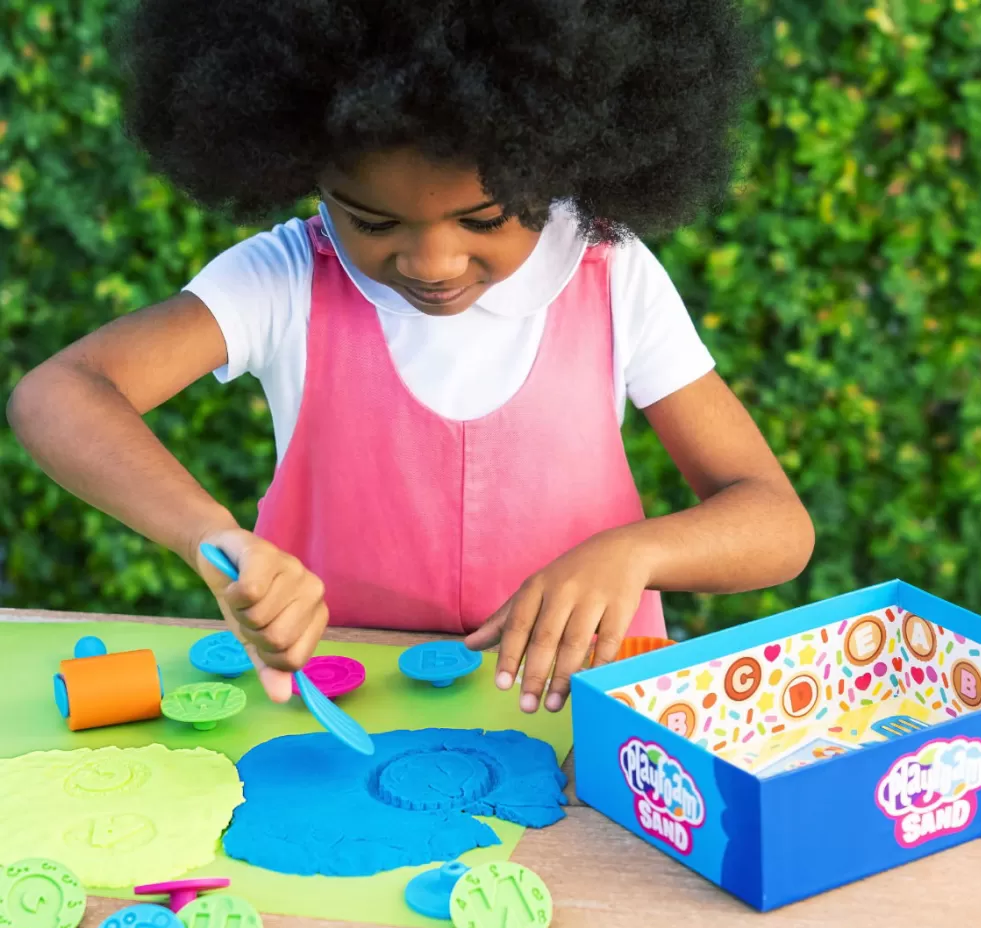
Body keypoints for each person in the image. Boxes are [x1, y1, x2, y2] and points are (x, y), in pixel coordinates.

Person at [7, 0, 814, 713]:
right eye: (373, 221)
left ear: (561, 161)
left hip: (578, 711)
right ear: (301, 167)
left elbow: (776, 524)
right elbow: (60, 393)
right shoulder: (286, 278)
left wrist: (636, 552)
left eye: (484, 219)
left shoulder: (612, 275)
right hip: (340, 717)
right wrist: (215, 540)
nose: (431, 262)